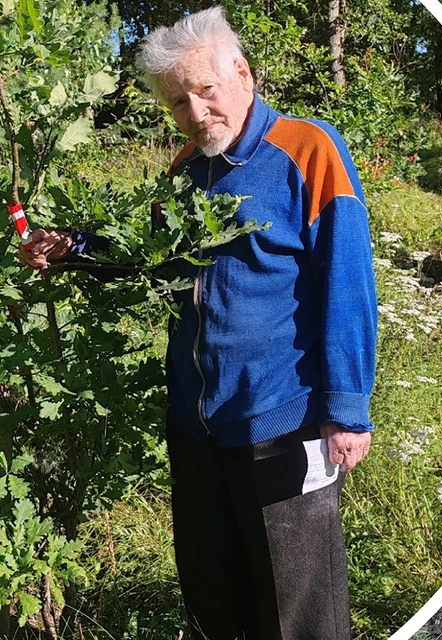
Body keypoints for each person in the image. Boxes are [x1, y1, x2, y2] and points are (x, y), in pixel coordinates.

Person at [20, 7, 377, 639]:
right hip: (196, 423)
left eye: (205, 90)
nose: (196, 112)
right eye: (178, 103)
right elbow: (147, 254)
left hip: (280, 418)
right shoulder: (187, 167)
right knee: (214, 591)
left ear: (241, 73)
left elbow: (347, 285)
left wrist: (346, 409)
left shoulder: (306, 150)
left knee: (299, 608)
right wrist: (72, 247)